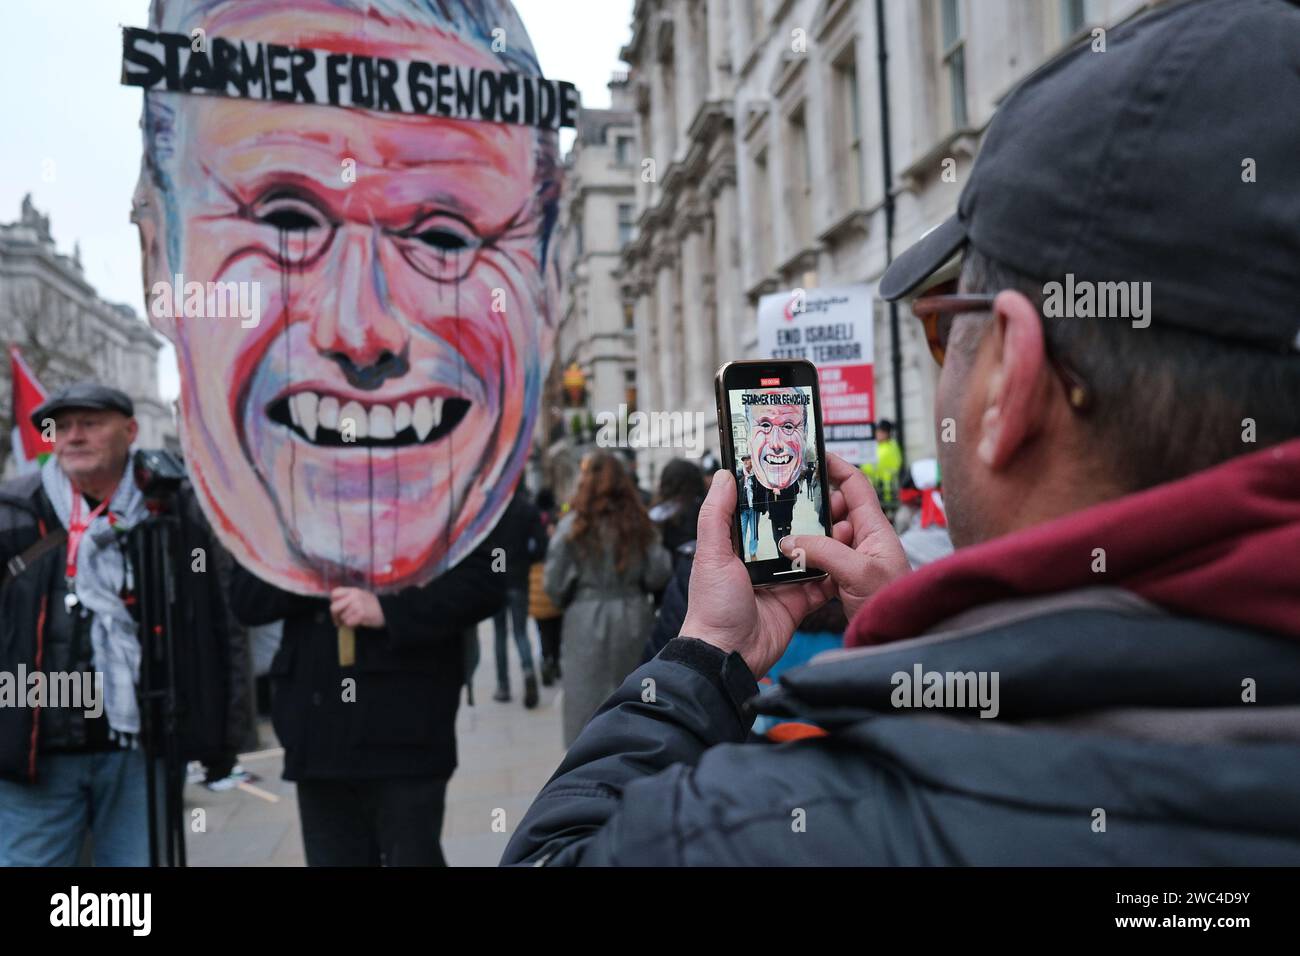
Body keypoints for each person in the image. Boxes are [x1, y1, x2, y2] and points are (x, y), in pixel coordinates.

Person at [502, 0, 1300, 865]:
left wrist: (704, 657)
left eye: (940, 327)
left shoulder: (777, 830)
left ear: (1012, 382)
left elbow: (557, 851)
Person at [129, 0, 564, 597]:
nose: (362, 332)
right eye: (288, 223)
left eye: (443, 237)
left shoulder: (501, 548)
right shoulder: (172, 558)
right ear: (158, 259)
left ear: (550, 287)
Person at [0, 383, 248, 865]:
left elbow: (220, 623)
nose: (73, 437)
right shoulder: (14, 511)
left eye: (90, 424)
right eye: (62, 427)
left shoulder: (178, 510)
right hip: (35, 753)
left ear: (130, 431)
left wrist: (223, 736)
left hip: (143, 750)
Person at [226, 537, 504, 866]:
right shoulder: (290, 496)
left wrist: (388, 609)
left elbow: (487, 578)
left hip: (406, 727)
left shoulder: (431, 486)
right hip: (318, 735)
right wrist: (314, 569)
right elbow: (246, 599)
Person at [543, 452, 672, 748]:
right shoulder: (640, 524)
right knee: (634, 696)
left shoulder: (571, 527)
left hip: (584, 619)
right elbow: (658, 573)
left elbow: (553, 584)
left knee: (585, 698)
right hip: (634, 615)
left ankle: (586, 764)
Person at [490, 484, 544, 707]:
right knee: (520, 632)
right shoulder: (527, 509)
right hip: (519, 578)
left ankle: (503, 686)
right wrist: (524, 561)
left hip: (496, 579)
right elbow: (541, 547)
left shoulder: (492, 507)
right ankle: (528, 670)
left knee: (500, 633)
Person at [528, 488, 564, 686]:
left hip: (535, 577)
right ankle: (556, 660)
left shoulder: (533, 518)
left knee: (542, 627)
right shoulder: (557, 520)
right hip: (554, 577)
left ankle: (546, 658)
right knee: (556, 625)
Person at [735, 455, 761, 562]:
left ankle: (753, 553)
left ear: (752, 461)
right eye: (744, 460)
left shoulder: (757, 474)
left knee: (754, 532)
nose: (745, 462)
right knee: (742, 532)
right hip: (742, 508)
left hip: (754, 508)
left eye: (747, 460)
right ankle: (742, 553)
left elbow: (761, 490)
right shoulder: (738, 473)